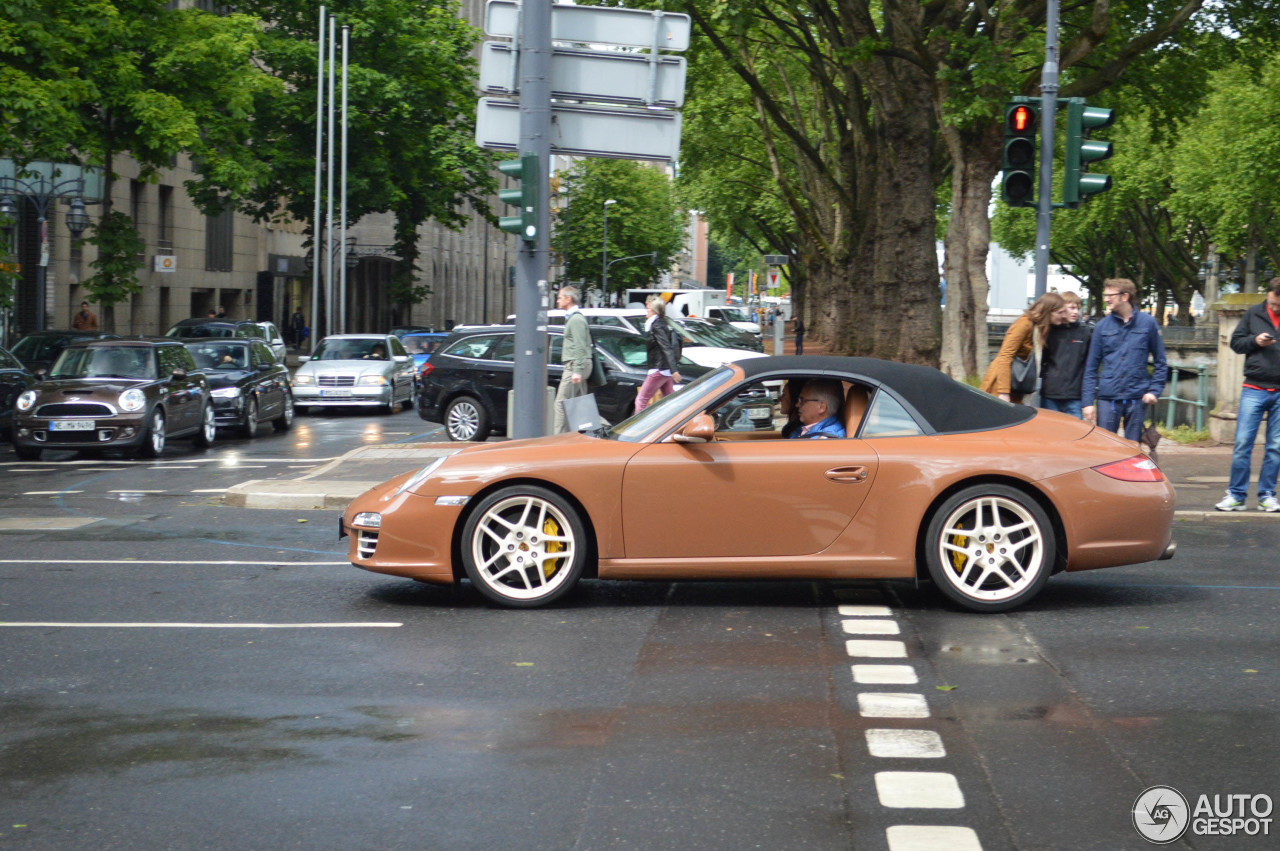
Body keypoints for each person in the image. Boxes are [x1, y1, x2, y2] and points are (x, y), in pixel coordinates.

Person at [1215, 278, 1280, 512]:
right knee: (1243, 443)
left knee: (1275, 446)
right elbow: (1236, 344)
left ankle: (1266, 495)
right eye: (1272, 303)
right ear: (1268, 296)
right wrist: (1255, 341)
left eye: (1278, 306)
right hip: (1254, 387)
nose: (1274, 308)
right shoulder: (1254, 313)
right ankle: (1236, 495)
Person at [1081, 278, 1168, 440]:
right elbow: (1091, 367)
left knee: (1133, 448)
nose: (1106, 299)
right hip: (1108, 397)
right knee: (1105, 447)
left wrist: (1154, 391)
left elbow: (1161, 362)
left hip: (1137, 397)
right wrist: (1087, 402)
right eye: (1105, 295)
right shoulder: (1102, 327)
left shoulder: (1148, 323)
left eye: (1110, 295)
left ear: (1125, 296)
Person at [980, 292, 1070, 403]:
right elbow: (1004, 357)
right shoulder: (1024, 324)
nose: (1063, 316)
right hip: (1000, 386)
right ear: (1048, 312)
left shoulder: (1039, 327)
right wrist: (1003, 392)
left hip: (1015, 385)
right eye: (1060, 313)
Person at [1039, 291, 1092, 418]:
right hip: (1050, 394)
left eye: (1078, 308)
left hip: (1075, 395)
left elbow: (1089, 366)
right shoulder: (1049, 332)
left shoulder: (1085, 333)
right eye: (1072, 308)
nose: (1076, 312)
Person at [553, 285, 593, 434]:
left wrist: (577, 370)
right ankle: (579, 436)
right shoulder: (574, 318)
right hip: (579, 364)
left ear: (568, 299)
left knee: (561, 404)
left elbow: (580, 346)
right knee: (577, 404)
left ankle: (559, 439)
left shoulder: (575, 320)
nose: (557, 301)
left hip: (575, 365)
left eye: (559, 297)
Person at [635, 295, 682, 412]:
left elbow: (666, 347)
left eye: (648, 308)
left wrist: (674, 370)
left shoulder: (657, 326)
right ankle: (678, 423)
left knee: (641, 400)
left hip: (659, 369)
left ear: (654, 311)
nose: (646, 310)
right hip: (664, 370)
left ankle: (639, 428)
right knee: (671, 401)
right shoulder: (660, 323)